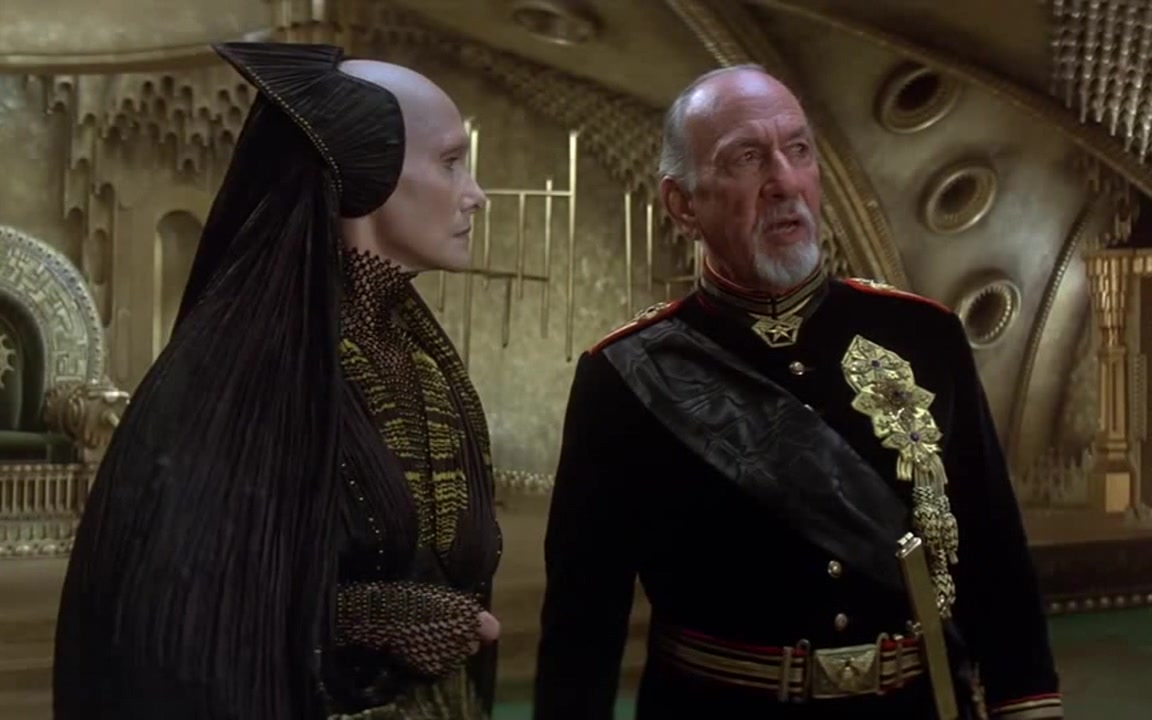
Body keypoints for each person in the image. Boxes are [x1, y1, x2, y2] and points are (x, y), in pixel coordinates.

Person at [532, 65, 1063, 720]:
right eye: (747, 158)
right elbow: (582, 623)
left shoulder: (924, 335)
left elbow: (993, 553)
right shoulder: (626, 373)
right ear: (683, 204)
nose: (784, 181)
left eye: (799, 150)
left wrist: (1026, 705)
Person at [53, 42, 503, 720]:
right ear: (368, 169)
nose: (475, 195)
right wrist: (358, 617)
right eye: (449, 162)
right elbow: (179, 603)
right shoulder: (236, 375)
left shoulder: (422, 359)